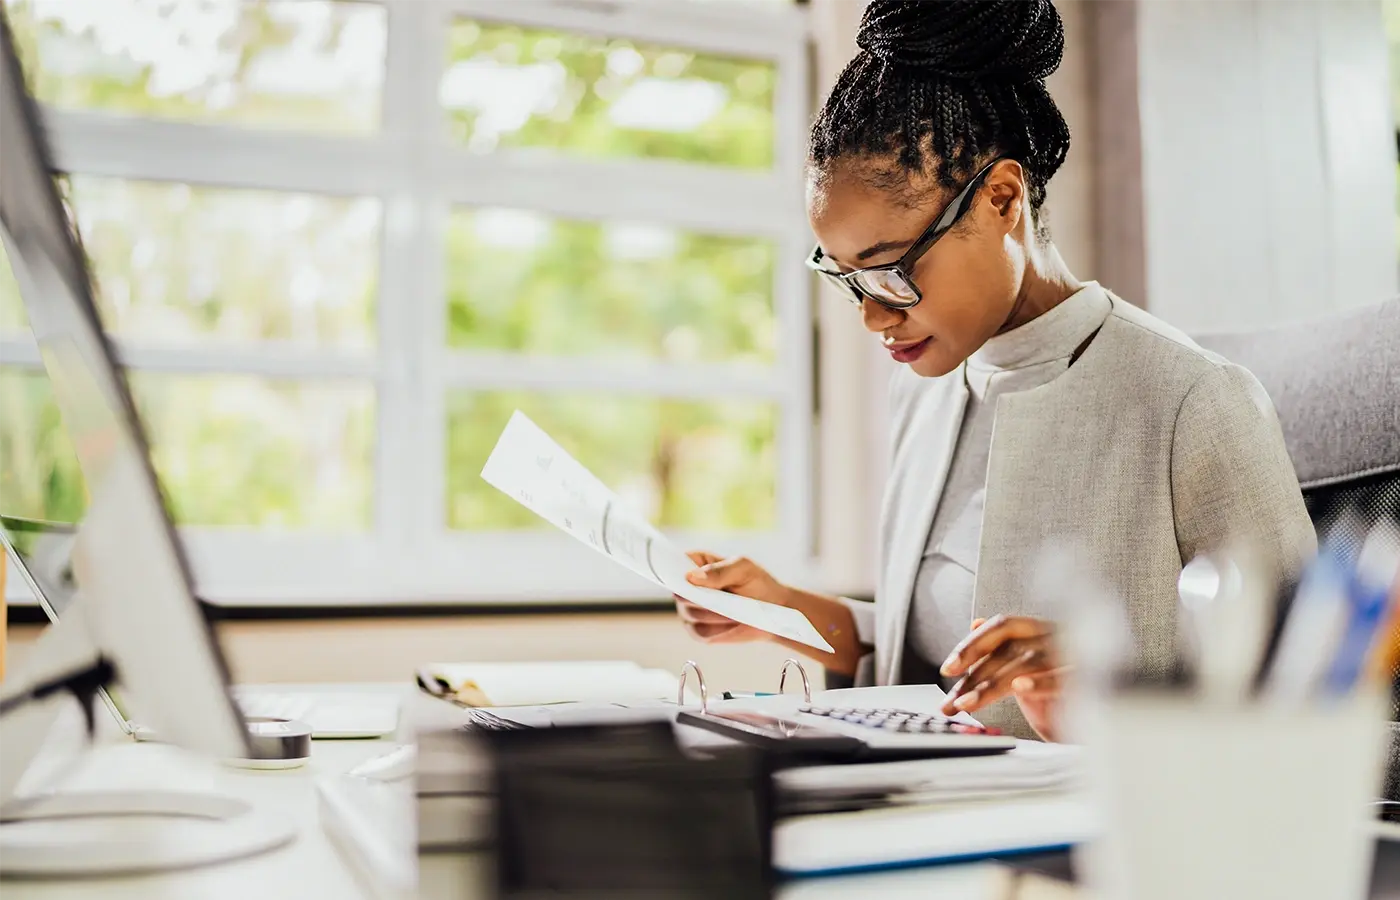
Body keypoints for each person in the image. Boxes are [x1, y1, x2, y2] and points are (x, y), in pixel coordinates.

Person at [674, 0, 1315, 741]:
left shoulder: (1191, 399)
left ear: (1002, 198)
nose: (874, 316)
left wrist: (1096, 678)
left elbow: (1316, 684)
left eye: (890, 272)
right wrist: (779, 605)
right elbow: (935, 658)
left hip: (1095, 824)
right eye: (847, 277)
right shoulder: (927, 393)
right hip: (925, 798)